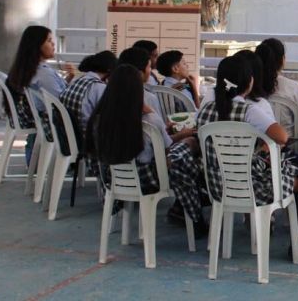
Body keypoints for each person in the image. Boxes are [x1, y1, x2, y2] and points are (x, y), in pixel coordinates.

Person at [196, 55, 298, 258]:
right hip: (254, 188)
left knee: (286, 162)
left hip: (218, 187)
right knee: (297, 181)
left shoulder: (205, 111)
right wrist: (261, 145)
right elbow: (282, 136)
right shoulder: (250, 111)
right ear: (249, 81)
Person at [86, 60, 208, 237]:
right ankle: (194, 207)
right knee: (187, 150)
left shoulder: (99, 118)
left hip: (113, 178)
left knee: (184, 150)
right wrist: (183, 138)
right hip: (148, 179)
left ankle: (190, 206)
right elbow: (166, 151)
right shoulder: (149, 119)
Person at [6, 25, 76, 163]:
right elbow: (60, 101)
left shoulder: (31, 69)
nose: (53, 44)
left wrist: (69, 78)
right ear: (37, 46)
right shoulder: (43, 74)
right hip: (52, 120)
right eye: (49, 41)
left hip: (42, 118)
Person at [257, 39, 298, 155]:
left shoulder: (250, 88)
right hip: (288, 148)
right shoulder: (293, 87)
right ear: (282, 59)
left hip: (257, 147)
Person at [59, 50, 117, 150]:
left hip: (68, 138)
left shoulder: (79, 81)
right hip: (86, 141)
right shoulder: (99, 88)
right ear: (109, 70)